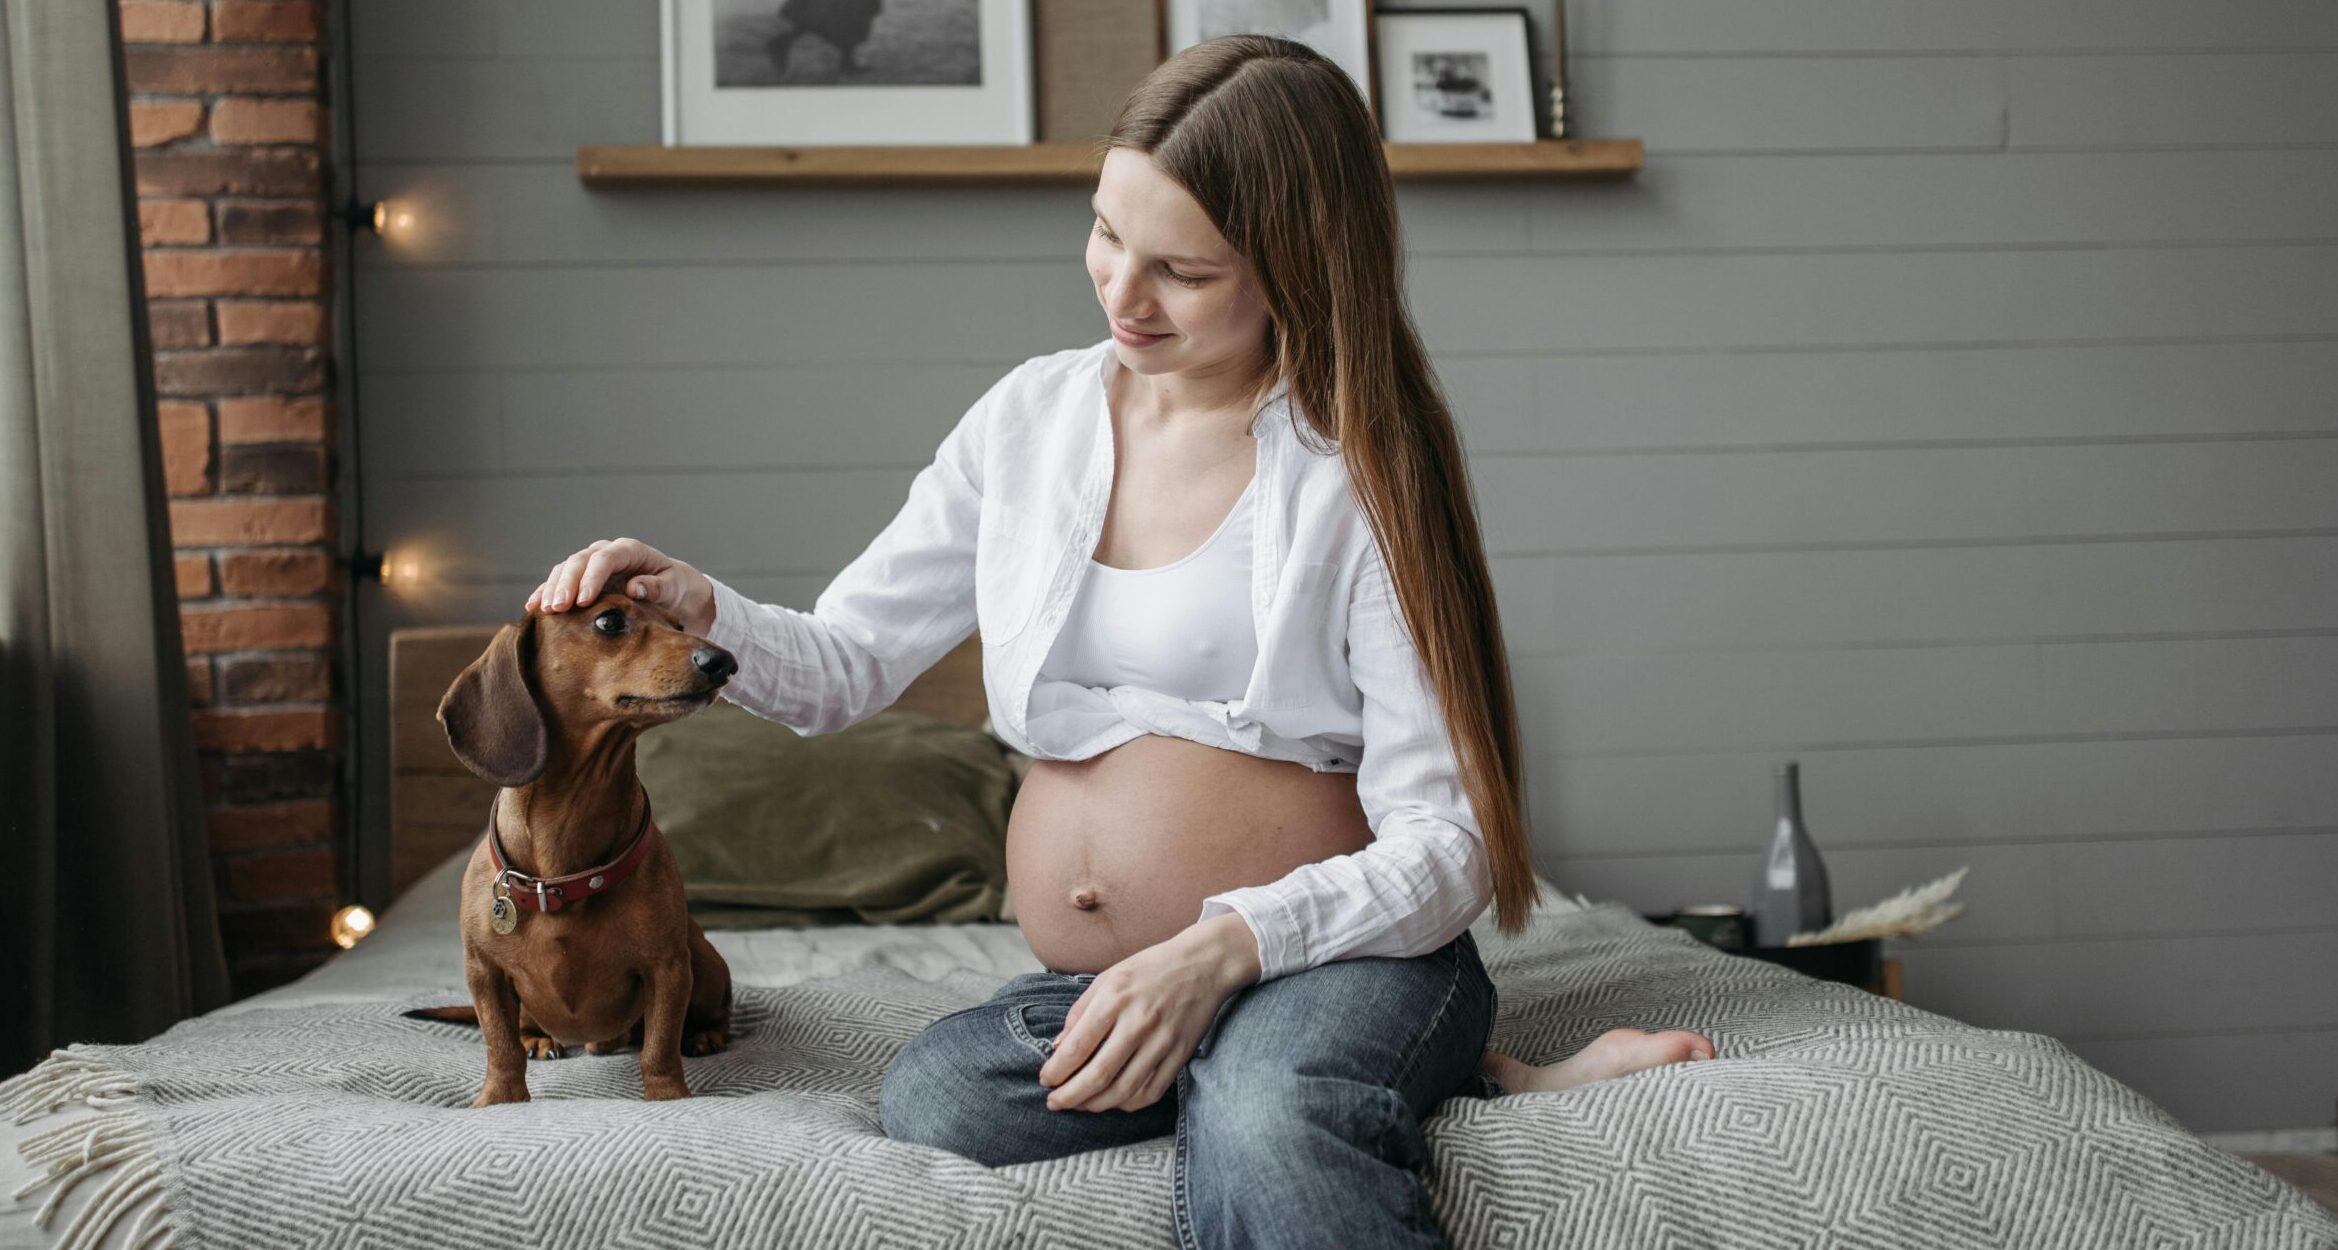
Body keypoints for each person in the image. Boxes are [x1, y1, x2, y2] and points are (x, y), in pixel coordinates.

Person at [528, 33, 1714, 1249]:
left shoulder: (1356, 476)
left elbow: (1449, 843)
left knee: (1267, 1114)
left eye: (1182, 270)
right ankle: (1459, 1074)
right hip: (1107, 973)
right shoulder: (1029, 421)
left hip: (1341, 952)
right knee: (940, 1091)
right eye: (1105, 232)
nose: (1121, 294)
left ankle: (1356, 1051)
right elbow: (846, 663)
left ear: (1295, 267)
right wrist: (701, 605)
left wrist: (1221, 951)